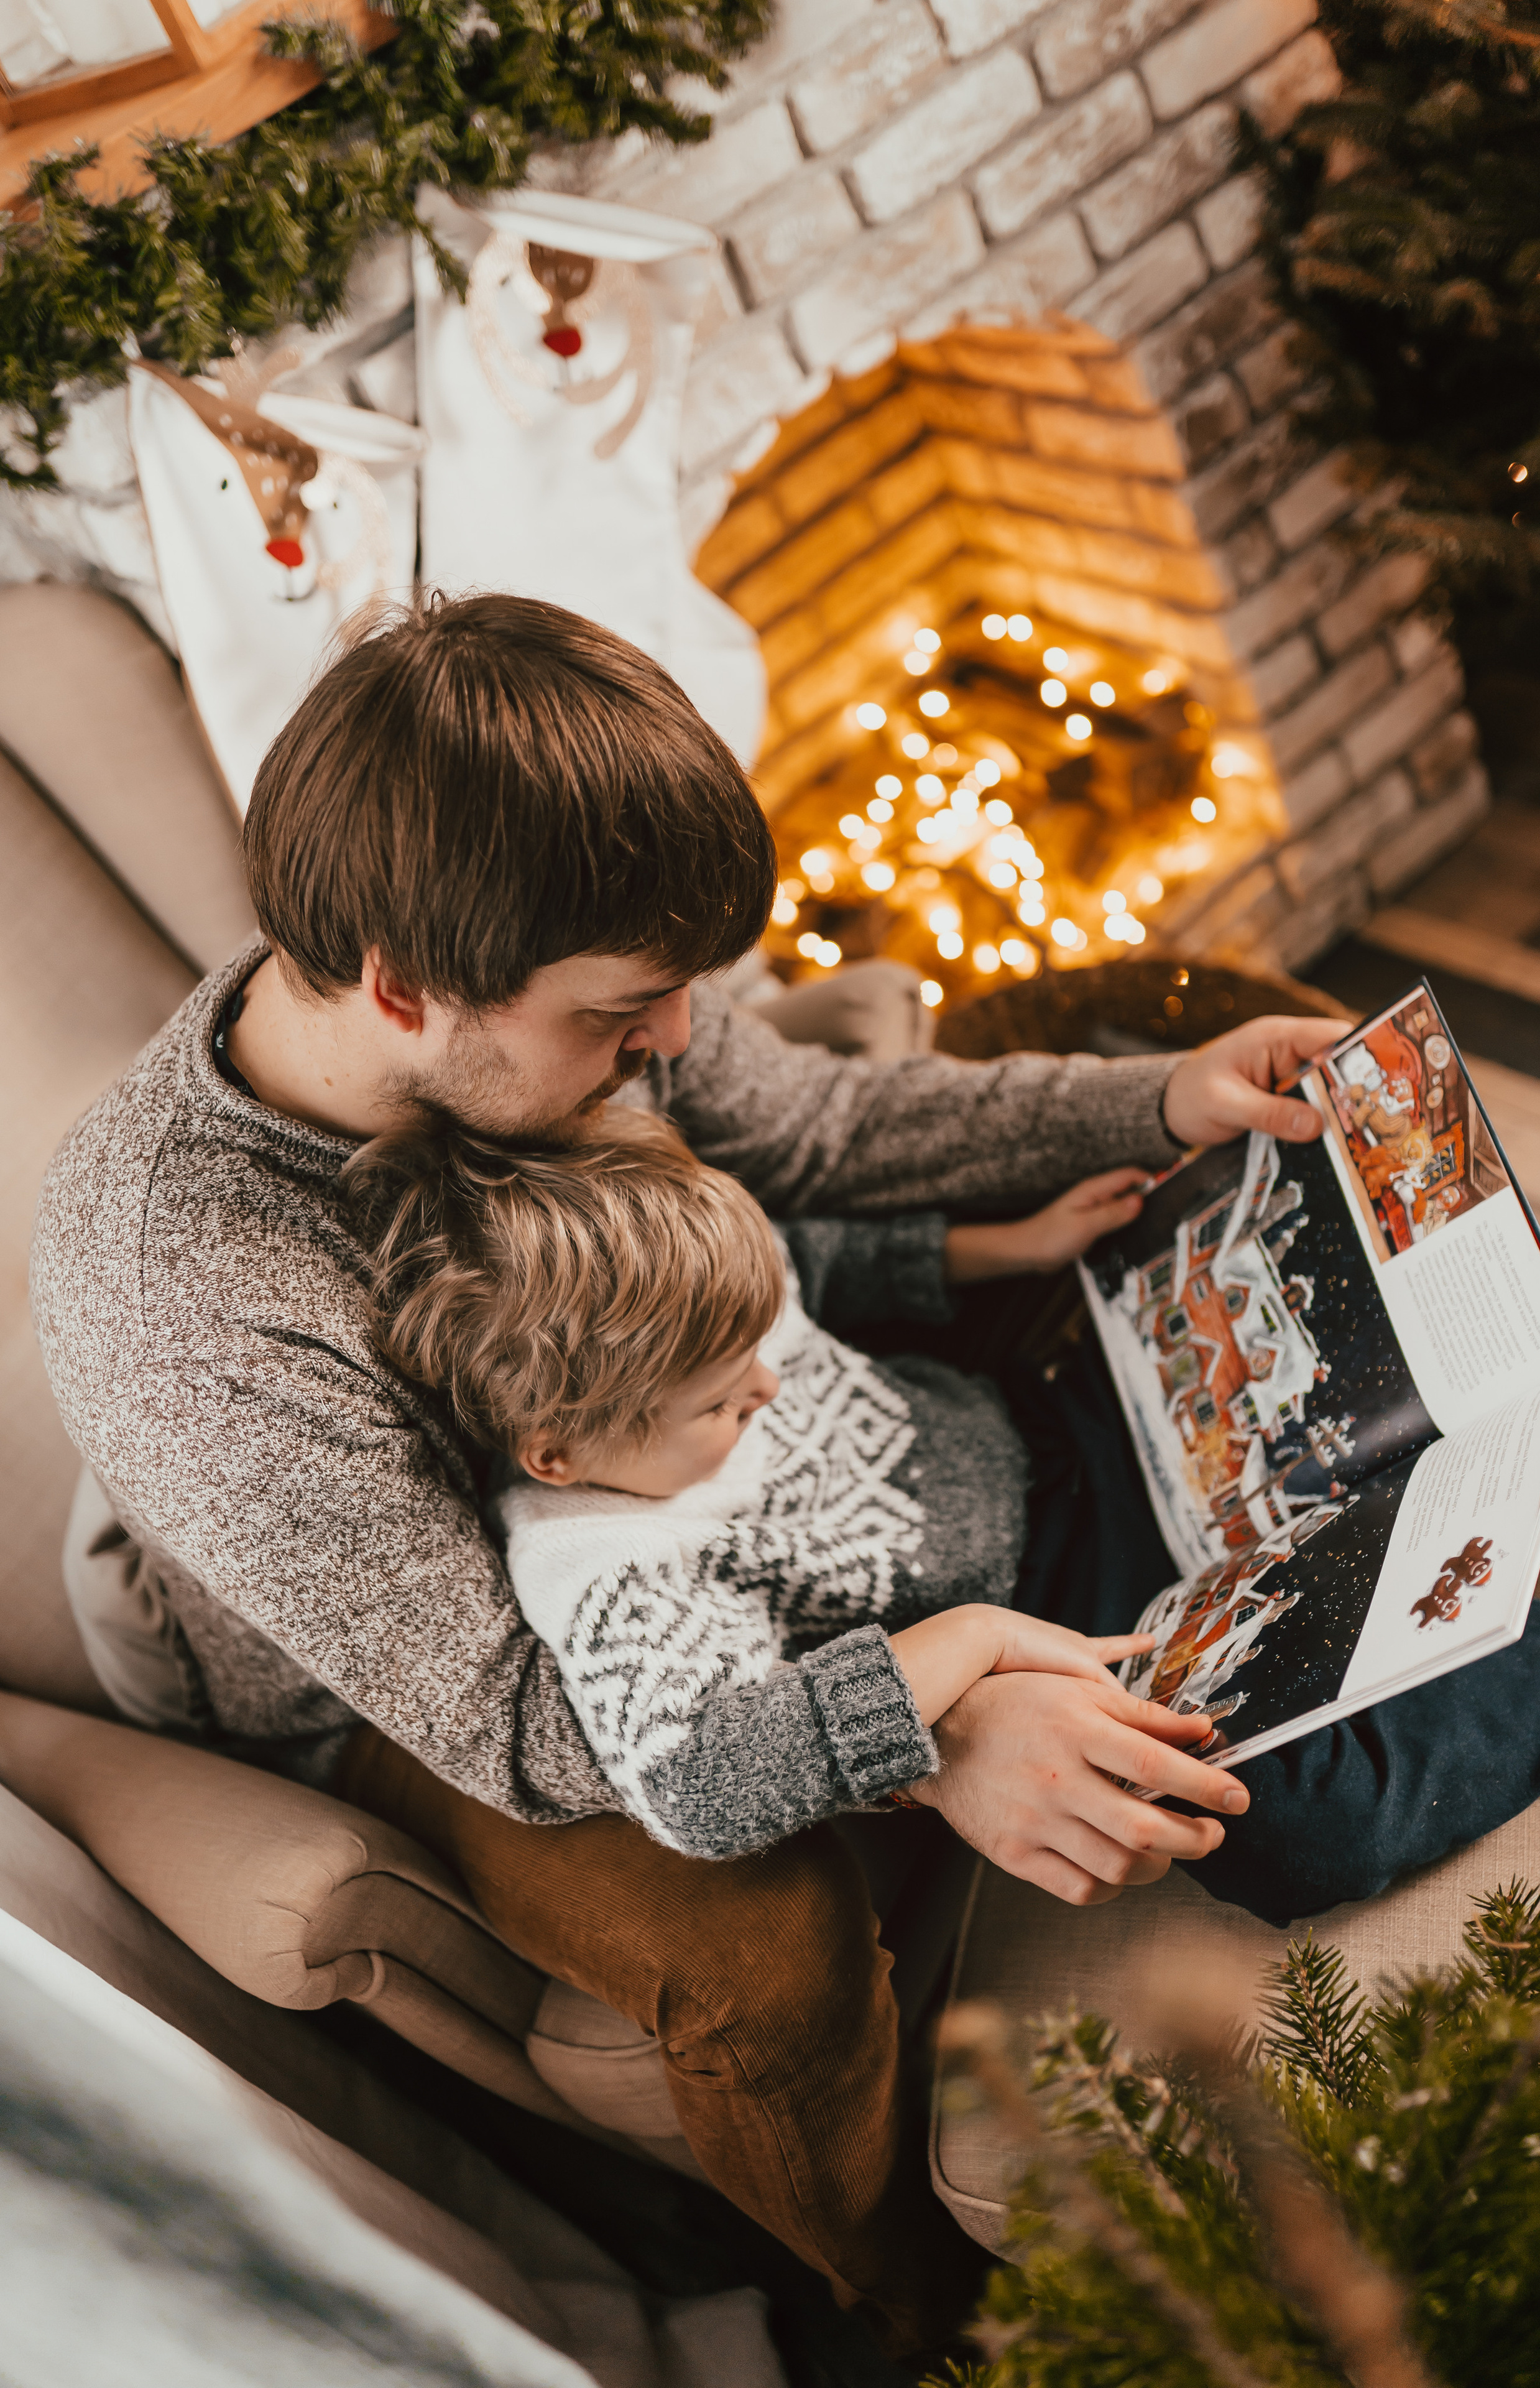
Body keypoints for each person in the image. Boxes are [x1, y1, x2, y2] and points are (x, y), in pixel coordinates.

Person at [21, 590, 1395, 2348]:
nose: (668, 1045)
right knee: (760, 1941)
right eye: (622, 1015)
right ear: (404, 994)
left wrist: (1157, 1102)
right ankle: (909, 2309)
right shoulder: (185, 1295)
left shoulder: (543, 980)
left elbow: (811, 1130)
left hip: (662, 1449)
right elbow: (517, 1717)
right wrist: (929, 1717)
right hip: (430, 1663)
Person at [347, 1109, 1202, 1860]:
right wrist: (973, 1639)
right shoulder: (598, 1556)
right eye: (721, 1402)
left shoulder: (701, 1284)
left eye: (759, 1349)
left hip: (1041, 1423)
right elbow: (697, 1789)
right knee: (1289, 1803)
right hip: (1045, 1606)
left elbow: (819, 1264)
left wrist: (1018, 1246)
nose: (769, 1386)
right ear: (557, 1456)